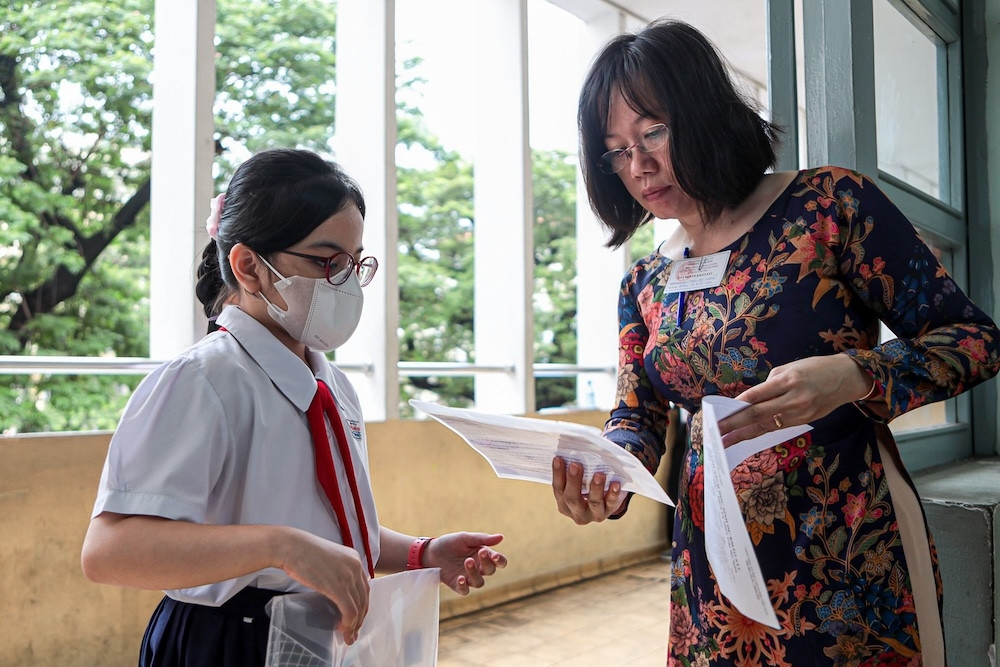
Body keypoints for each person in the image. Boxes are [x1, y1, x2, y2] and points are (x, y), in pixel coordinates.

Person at [550, 18, 1000, 666]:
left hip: (846, 552)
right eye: (616, 150)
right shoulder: (647, 280)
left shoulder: (828, 206)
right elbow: (637, 417)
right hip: (714, 572)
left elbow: (975, 338)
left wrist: (857, 373)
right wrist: (605, 471)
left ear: (703, 113)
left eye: (652, 132)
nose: (639, 165)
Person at [81, 148, 507, 666]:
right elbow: (110, 551)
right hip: (228, 642)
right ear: (248, 266)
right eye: (327, 260)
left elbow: (326, 526)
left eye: (354, 263)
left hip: (313, 637)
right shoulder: (201, 382)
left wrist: (419, 553)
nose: (345, 282)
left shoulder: (331, 384)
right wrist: (281, 547)